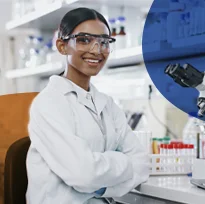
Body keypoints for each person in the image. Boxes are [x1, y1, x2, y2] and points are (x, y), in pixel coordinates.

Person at [26, 8, 150, 204]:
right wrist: (120, 163)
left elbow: (142, 163)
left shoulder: (107, 105)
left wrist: (99, 186)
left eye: (104, 42)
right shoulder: (48, 104)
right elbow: (83, 174)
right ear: (62, 46)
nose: (96, 50)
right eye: (84, 40)